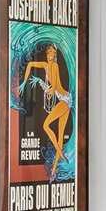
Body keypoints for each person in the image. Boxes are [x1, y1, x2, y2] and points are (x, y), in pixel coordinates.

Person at [20, 41, 72, 171]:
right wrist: (24, 82)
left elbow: (53, 88)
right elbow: (31, 64)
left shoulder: (55, 66)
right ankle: (54, 168)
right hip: (65, 99)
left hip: (65, 100)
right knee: (59, 135)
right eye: (49, 53)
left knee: (46, 125)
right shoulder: (44, 65)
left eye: (53, 53)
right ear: (46, 54)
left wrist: (41, 83)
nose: (51, 55)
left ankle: (60, 153)